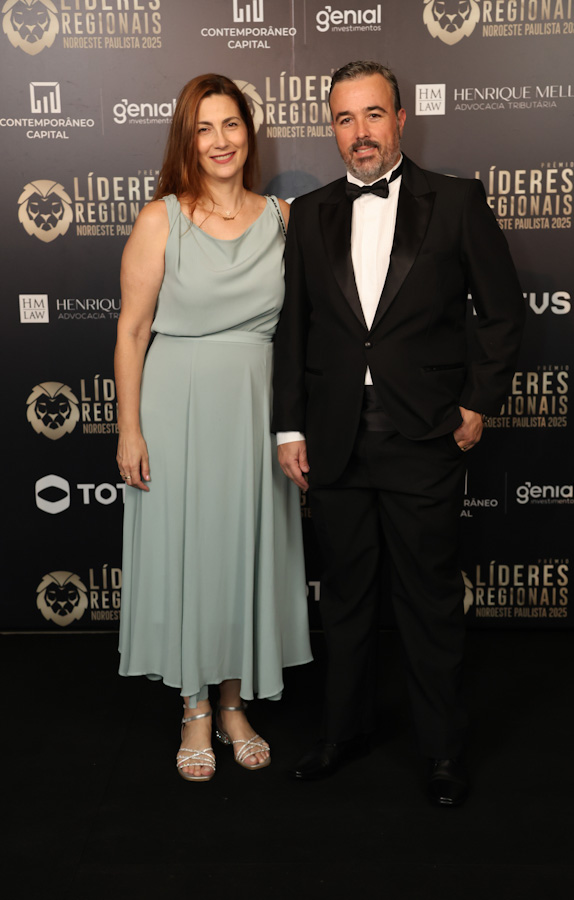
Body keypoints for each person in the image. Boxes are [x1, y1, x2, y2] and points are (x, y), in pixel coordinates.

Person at [273, 60, 525, 805]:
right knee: (346, 598)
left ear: (401, 119)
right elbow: (295, 331)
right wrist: (288, 428)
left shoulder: (456, 201)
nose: (361, 133)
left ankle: (442, 751)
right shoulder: (309, 214)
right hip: (335, 440)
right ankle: (341, 733)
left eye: (373, 115)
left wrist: (477, 403)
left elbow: (503, 312)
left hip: (424, 438)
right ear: (332, 127)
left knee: (428, 601)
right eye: (345, 118)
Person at [115, 74, 312, 783]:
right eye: (204, 128)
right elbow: (132, 331)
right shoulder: (160, 219)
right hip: (177, 407)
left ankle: (233, 703)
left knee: (242, 552)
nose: (220, 140)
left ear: (248, 134)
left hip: (258, 410)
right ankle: (194, 707)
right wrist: (129, 429)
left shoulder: (285, 219)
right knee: (190, 553)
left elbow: (310, 328)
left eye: (231, 124)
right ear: (187, 140)